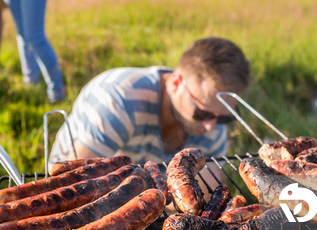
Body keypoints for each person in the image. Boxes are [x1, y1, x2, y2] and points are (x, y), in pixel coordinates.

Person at [49, 37, 250, 165]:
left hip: (152, 198)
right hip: (95, 183)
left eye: (225, 118)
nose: (210, 126)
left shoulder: (213, 115)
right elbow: (75, 184)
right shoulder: (120, 101)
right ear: (176, 83)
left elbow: (207, 194)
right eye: (202, 113)